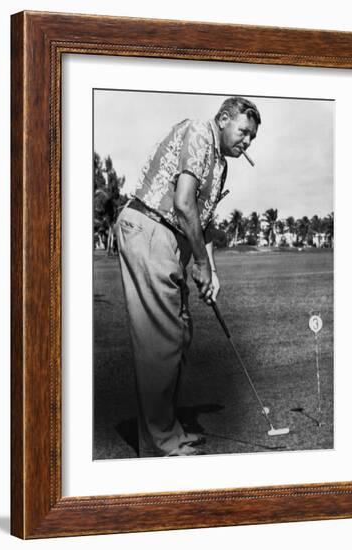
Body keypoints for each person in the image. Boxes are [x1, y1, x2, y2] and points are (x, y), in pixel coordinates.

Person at [115, 96, 261, 457]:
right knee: (161, 340)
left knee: (180, 333)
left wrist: (211, 272)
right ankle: (162, 441)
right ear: (223, 118)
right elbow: (182, 203)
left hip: (171, 239)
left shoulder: (220, 166)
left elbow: (203, 220)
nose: (246, 142)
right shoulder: (199, 131)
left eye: (252, 139)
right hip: (149, 227)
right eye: (243, 131)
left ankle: (166, 429)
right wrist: (200, 264)